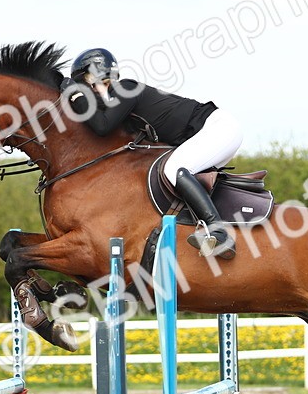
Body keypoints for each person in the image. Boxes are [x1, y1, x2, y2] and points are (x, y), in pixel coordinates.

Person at [61, 48, 241, 259]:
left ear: (93, 78)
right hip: (212, 133)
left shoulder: (124, 88)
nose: (87, 92)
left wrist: (75, 95)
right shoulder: (117, 103)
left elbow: (101, 126)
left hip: (219, 129)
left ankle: (218, 231)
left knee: (174, 169)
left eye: (84, 84)